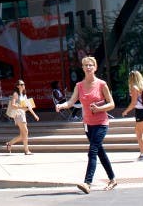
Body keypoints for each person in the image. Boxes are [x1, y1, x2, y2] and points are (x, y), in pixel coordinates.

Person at [55, 56, 117, 194]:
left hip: (101, 123)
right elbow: (71, 102)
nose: (88, 67)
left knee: (93, 151)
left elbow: (112, 104)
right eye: (85, 65)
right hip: (88, 124)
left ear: (95, 67)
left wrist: (100, 109)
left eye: (91, 65)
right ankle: (112, 179)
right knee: (100, 151)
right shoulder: (79, 86)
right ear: (82, 68)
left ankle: (87, 183)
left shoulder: (101, 84)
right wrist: (61, 105)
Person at [121, 70, 143, 161]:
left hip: (141, 111)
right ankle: (142, 154)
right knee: (138, 132)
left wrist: (126, 111)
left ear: (131, 78)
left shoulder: (135, 87)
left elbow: (133, 103)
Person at [5, 79, 40, 154]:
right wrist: (21, 107)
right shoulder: (16, 94)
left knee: (22, 135)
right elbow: (13, 105)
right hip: (18, 114)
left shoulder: (24, 95)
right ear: (18, 86)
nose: (23, 85)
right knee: (26, 132)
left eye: (23, 84)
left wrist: (35, 115)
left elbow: (29, 106)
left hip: (23, 114)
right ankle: (26, 150)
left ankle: (9, 144)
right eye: (21, 84)